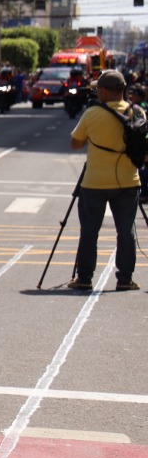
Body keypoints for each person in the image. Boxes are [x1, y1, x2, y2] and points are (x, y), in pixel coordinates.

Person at [66, 69, 141, 292]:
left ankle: (85, 277)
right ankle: (125, 279)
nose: (97, 92)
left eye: (99, 89)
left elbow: (75, 143)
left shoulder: (92, 114)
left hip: (95, 182)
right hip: (128, 181)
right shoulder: (136, 112)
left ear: (106, 91)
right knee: (126, 231)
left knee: (89, 230)